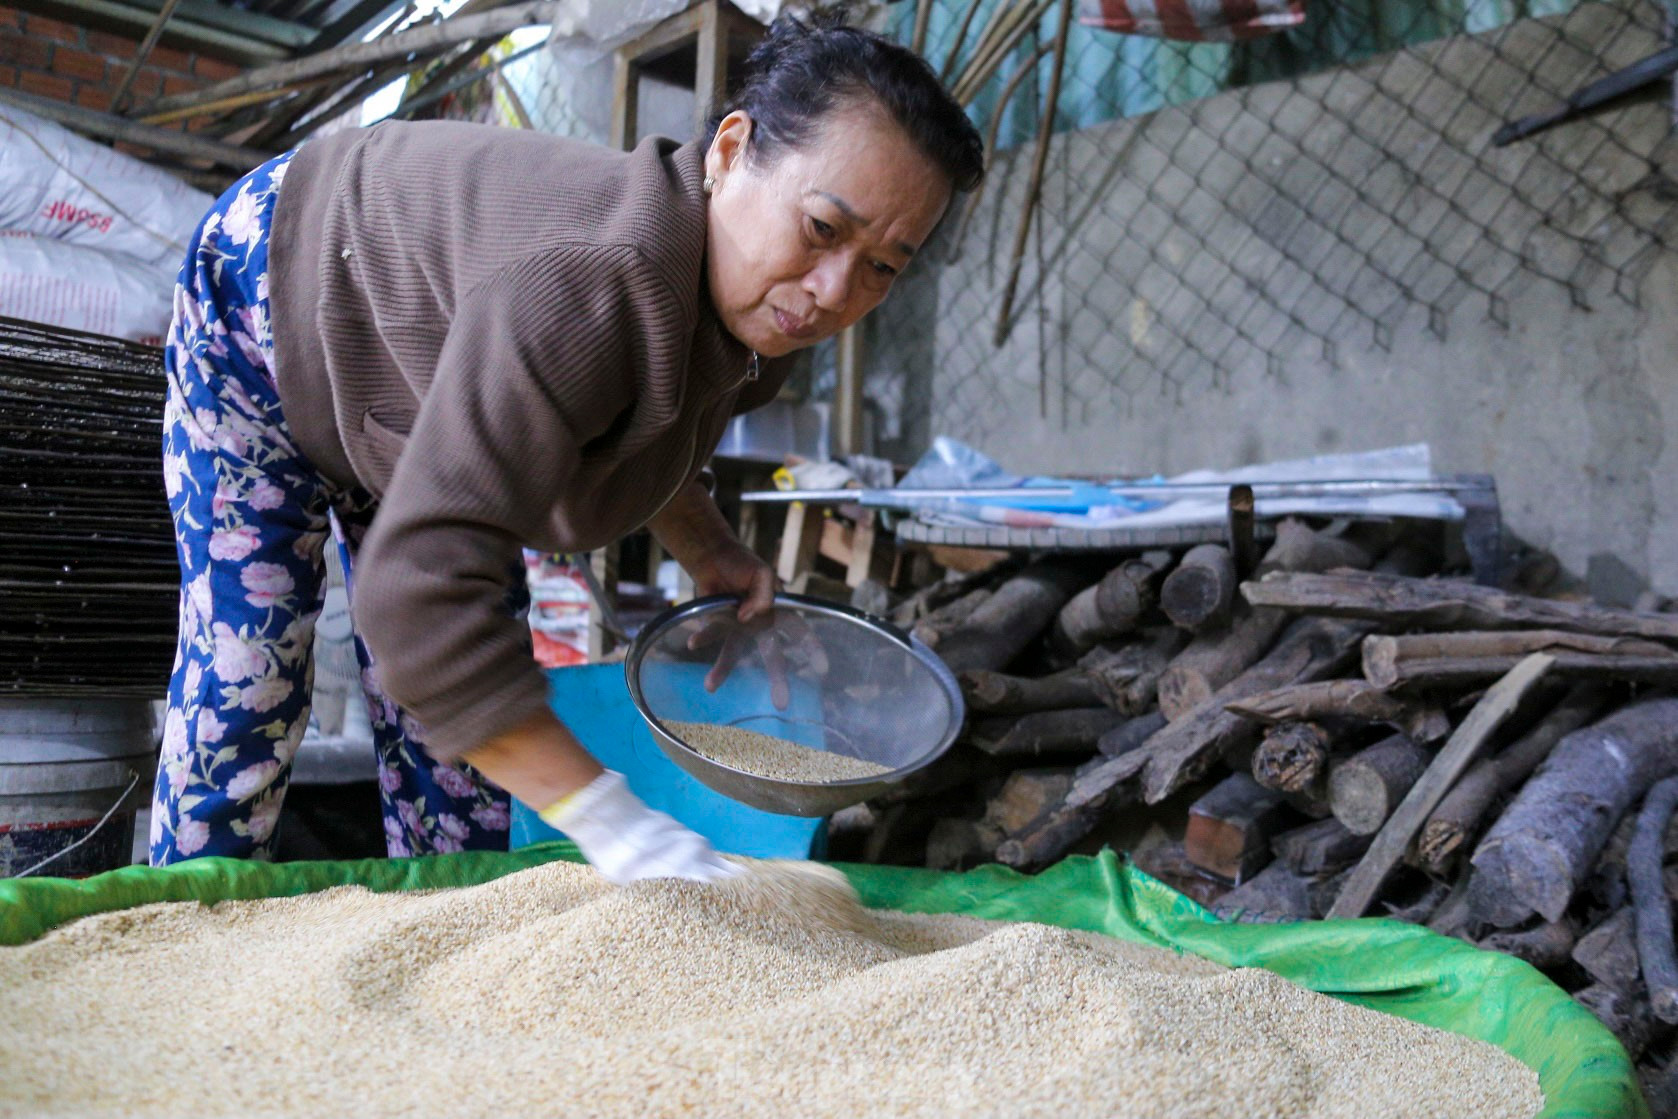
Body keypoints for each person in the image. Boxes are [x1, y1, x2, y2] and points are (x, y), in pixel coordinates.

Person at [151, 11, 984, 883]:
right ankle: (179, 950)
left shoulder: (760, 318)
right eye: (822, 228)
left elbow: (639, 426)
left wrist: (711, 551)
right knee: (250, 683)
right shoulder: (581, 284)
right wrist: (614, 822)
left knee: (465, 764)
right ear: (731, 151)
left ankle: (445, 970)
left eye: (884, 267)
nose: (832, 292)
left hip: (431, 390)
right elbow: (417, 604)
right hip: (281, 299)